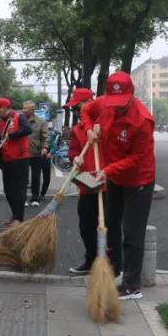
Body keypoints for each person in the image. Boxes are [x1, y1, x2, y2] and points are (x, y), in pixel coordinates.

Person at [80, 72, 156, 301]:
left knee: (132, 234)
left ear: (131, 94)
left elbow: (138, 157)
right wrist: (88, 129)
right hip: (114, 177)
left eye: (121, 104)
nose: (117, 108)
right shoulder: (103, 104)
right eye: (114, 103)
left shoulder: (142, 120)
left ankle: (132, 286)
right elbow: (85, 111)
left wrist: (107, 171)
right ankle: (114, 270)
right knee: (110, 225)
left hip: (138, 180)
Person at [65, 88, 101, 275]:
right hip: (87, 182)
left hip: (108, 181)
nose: (77, 112)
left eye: (77, 107)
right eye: (75, 110)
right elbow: (72, 150)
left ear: (89, 102)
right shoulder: (78, 130)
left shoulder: (105, 124)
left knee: (107, 224)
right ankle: (91, 260)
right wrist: (75, 158)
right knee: (85, 223)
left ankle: (111, 264)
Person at [0, 97, 32, 225]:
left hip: (20, 159)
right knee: (8, 190)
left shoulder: (19, 117)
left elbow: (28, 130)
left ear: (4, 108)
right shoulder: (0, 123)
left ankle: (19, 218)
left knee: (19, 189)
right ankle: (15, 214)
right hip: (6, 160)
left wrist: (11, 135)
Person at [24, 100, 51, 207]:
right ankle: (23, 198)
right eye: (23, 108)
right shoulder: (20, 120)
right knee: (24, 178)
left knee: (36, 177)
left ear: (31, 110)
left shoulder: (41, 122)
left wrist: (45, 147)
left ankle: (35, 198)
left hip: (36, 153)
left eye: (25, 109)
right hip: (23, 154)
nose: (23, 110)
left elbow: (46, 136)